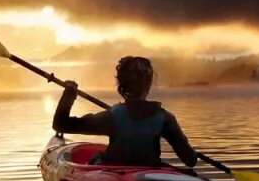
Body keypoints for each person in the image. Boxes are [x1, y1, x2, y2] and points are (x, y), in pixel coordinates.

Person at [52, 56, 198, 169]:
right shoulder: (165, 119)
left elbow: (60, 124)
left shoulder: (112, 117)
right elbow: (190, 160)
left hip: (112, 176)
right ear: (148, 85)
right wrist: (190, 150)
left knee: (97, 158)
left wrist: (69, 93)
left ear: (121, 87)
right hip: (149, 174)